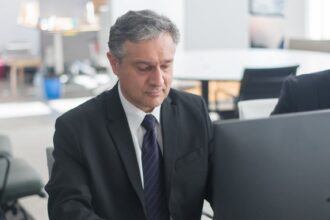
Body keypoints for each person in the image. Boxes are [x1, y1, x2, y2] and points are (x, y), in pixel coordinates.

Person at [45, 10, 214, 220]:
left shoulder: (193, 110)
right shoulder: (76, 128)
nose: (158, 80)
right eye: (144, 68)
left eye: (166, 66)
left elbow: (223, 186)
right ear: (114, 63)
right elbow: (67, 210)